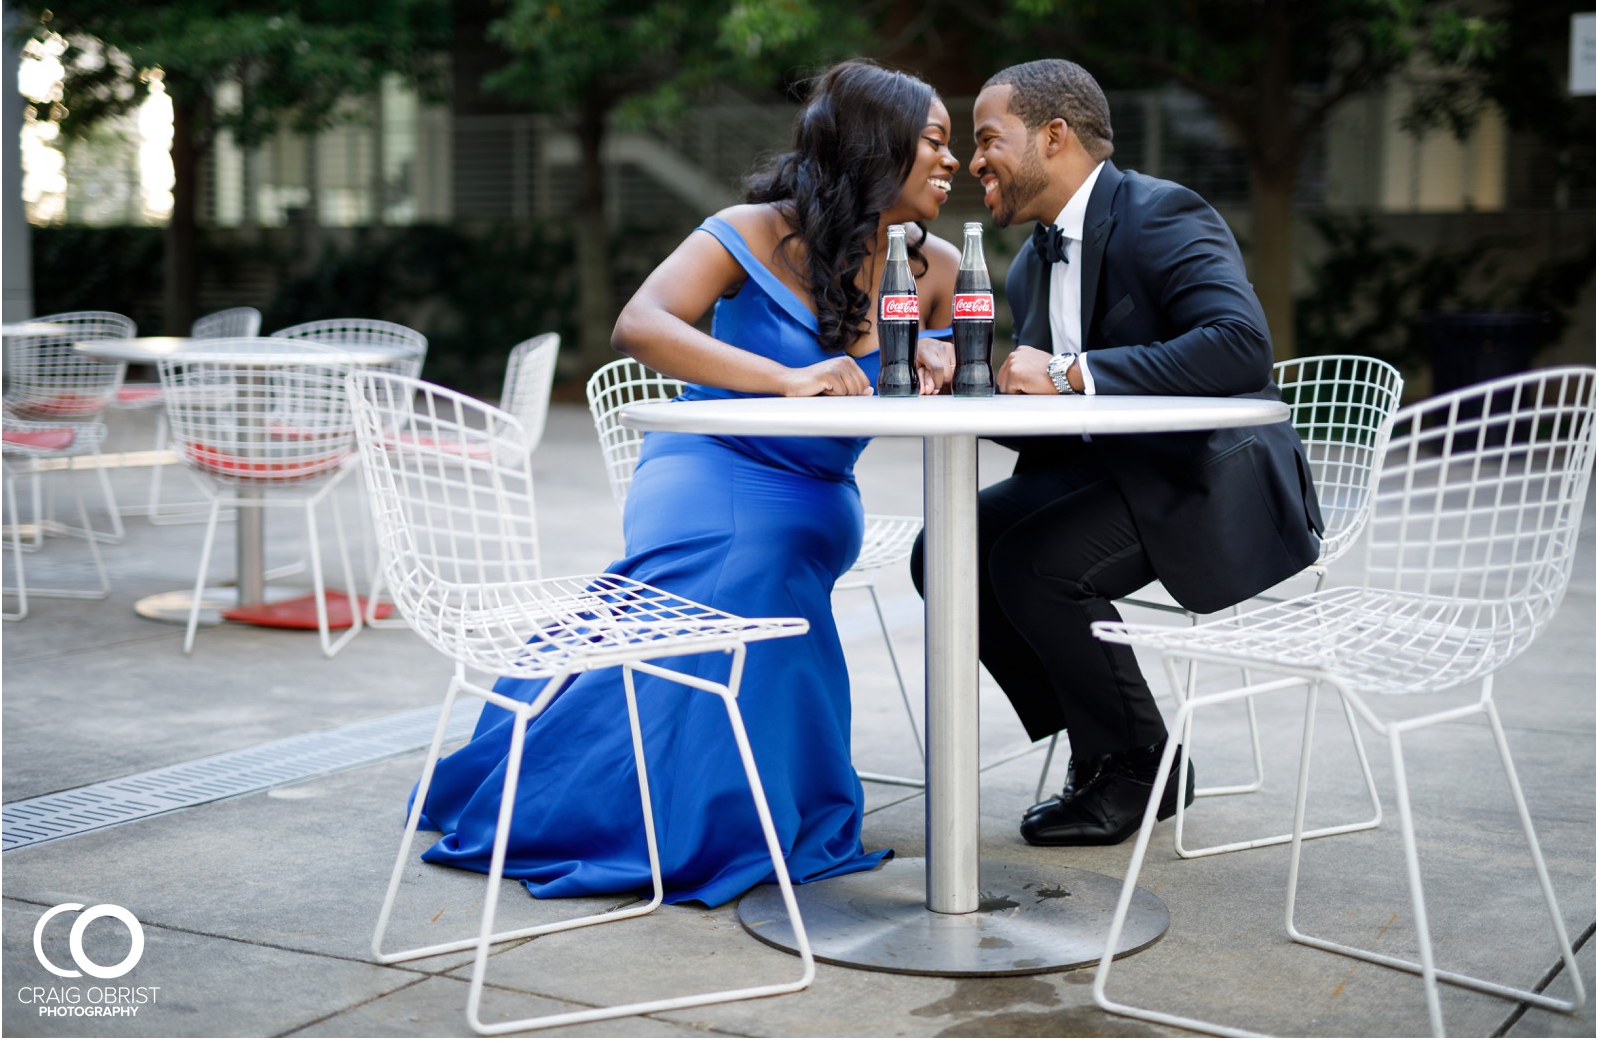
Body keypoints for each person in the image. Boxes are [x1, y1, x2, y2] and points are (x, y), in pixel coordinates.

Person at [412, 59, 962, 907]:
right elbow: (640, 323)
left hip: (817, 488)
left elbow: (922, 379)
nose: (951, 161)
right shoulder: (751, 229)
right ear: (876, 147)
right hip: (708, 461)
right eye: (934, 141)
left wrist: (935, 356)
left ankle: (749, 800)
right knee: (741, 565)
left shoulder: (937, 268)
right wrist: (785, 378)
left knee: (772, 557)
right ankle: (674, 815)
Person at [911, 59, 1324, 848]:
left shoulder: (1162, 212)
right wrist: (970, 388)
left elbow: (1240, 348)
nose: (973, 161)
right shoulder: (1033, 260)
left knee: (1033, 562)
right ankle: (1102, 745)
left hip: (1199, 474)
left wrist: (1068, 372)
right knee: (947, 550)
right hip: (1108, 469)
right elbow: (1053, 412)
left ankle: (1139, 763)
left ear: (1055, 136)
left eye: (988, 138)